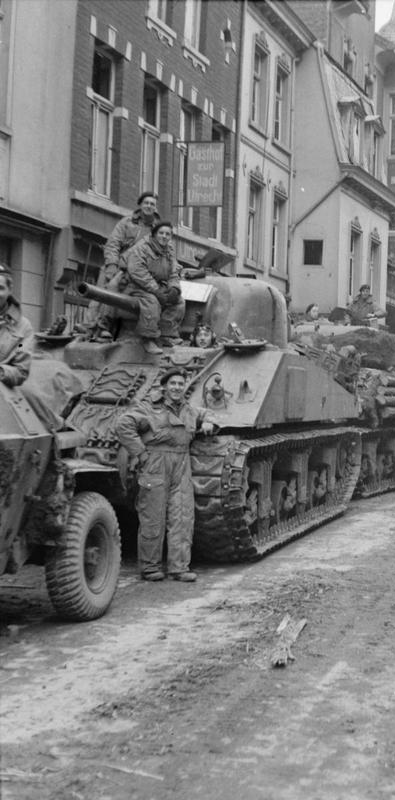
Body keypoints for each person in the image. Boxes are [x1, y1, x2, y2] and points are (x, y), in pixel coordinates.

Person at [116, 367, 214, 582]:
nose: (177, 387)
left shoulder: (189, 410)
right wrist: (140, 453)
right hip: (155, 463)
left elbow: (206, 414)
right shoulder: (149, 407)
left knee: (182, 516)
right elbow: (123, 425)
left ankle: (179, 568)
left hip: (181, 463)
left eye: (181, 384)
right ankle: (150, 567)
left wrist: (207, 421)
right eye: (173, 384)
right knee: (153, 516)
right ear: (164, 387)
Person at [88, 192, 164, 339]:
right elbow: (113, 244)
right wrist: (111, 264)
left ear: (155, 208)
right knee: (103, 291)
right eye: (146, 203)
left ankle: (107, 325)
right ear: (140, 205)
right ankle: (90, 327)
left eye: (152, 204)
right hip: (121, 267)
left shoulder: (158, 230)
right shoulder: (126, 223)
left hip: (142, 273)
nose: (149, 206)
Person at [119, 221, 185, 354]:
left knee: (179, 301)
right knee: (152, 302)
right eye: (161, 233)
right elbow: (137, 271)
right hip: (136, 287)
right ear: (154, 234)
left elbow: (174, 272)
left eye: (168, 234)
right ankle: (147, 339)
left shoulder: (168, 251)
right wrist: (155, 290)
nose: (164, 236)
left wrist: (174, 288)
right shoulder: (142, 248)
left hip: (159, 287)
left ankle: (167, 334)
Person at [0, 265, 33, 387]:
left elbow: (20, 371)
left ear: (10, 290)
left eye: (0, 288)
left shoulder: (23, 328)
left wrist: (1, 372)